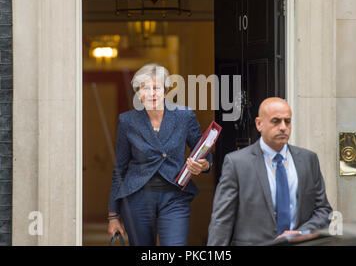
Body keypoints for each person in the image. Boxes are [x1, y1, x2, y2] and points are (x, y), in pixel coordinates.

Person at [107, 63, 212, 246]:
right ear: (139, 93)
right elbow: (120, 169)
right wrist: (113, 216)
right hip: (137, 199)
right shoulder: (128, 121)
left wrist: (204, 165)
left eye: (156, 87)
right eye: (145, 88)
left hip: (174, 198)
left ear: (165, 90)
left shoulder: (184, 116)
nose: (152, 93)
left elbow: (204, 152)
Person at [207, 97, 332, 245]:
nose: (283, 127)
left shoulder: (308, 160)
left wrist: (301, 233)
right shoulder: (237, 163)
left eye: (288, 121)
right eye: (276, 121)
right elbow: (222, 220)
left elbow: (323, 210)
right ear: (259, 124)